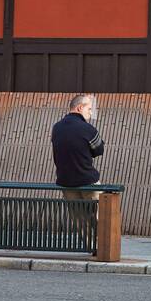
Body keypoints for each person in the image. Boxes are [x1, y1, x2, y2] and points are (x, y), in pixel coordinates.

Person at [51, 94, 105, 245]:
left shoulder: (57, 127)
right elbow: (99, 149)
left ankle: (90, 246)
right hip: (88, 181)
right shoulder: (87, 129)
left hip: (66, 182)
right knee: (100, 217)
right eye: (89, 108)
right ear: (80, 107)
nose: (90, 112)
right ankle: (102, 248)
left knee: (80, 220)